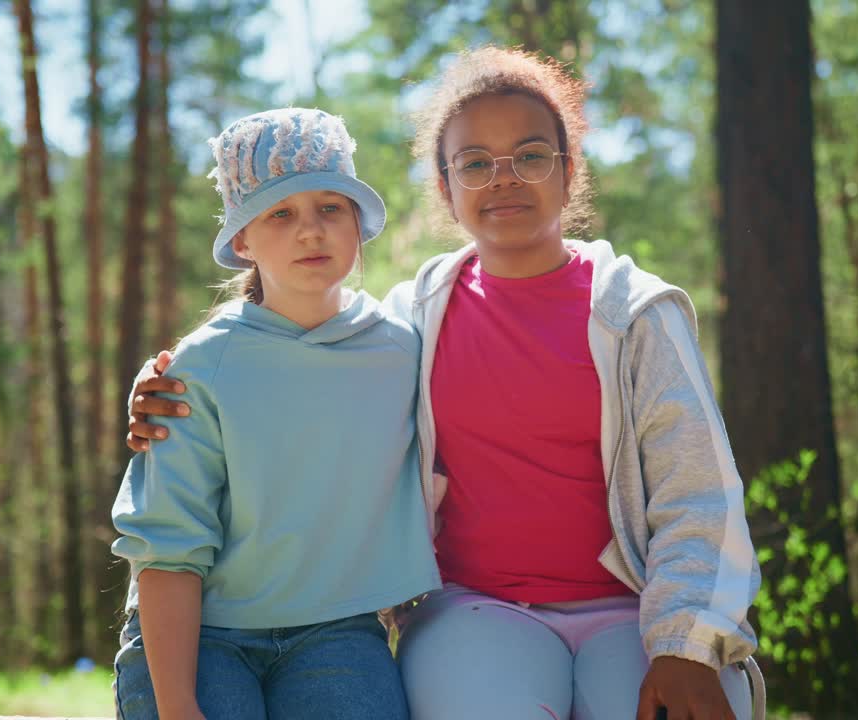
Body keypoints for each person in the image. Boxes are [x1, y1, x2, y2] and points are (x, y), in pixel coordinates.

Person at [125, 48, 761, 720]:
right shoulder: (420, 316)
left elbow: (698, 492)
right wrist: (167, 374)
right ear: (446, 186)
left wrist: (685, 645)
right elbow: (287, 333)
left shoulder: (634, 315)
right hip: (478, 609)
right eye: (476, 163)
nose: (504, 180)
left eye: (532, 156)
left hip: (630, 606)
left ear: (570, 172)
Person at [110, 107, 441, 720]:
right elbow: (168, 547)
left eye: (330, 208)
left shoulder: (405, 349)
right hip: (200, 637)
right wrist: (179, 706)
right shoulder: (203, 366)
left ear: (359, 224)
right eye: (280, 213)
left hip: (336, 631)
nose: (311, 231)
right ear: (242, 240)